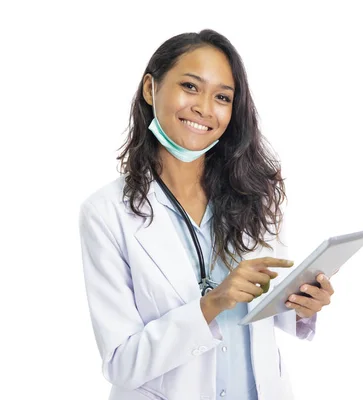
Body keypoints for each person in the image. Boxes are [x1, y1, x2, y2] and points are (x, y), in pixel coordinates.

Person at [78, 29, 334, 400]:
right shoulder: (105, 213)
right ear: (150, 89)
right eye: (190, 87)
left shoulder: (252, 194)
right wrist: (211, 305)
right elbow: (121, 363)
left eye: (222, 97)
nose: (204, 108)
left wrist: (302, 304)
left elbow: (270, 308)